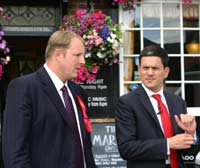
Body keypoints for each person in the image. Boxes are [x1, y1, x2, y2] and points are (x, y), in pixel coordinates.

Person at [2, 30, 97, 168]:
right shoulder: (24, 88)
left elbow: (85, 149)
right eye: (77, 55)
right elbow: (15, 153)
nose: (83, 61)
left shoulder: (78, 92)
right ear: (58, 54)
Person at [115, 45, 199, 168]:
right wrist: (168, 144)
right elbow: (126, 148)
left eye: (155, 68)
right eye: (145, 68)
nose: (149, 73)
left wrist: (191, 133)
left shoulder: (178, 102)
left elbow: (188, 152)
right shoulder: (127, 102)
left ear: (166, 72)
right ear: (139, 69)